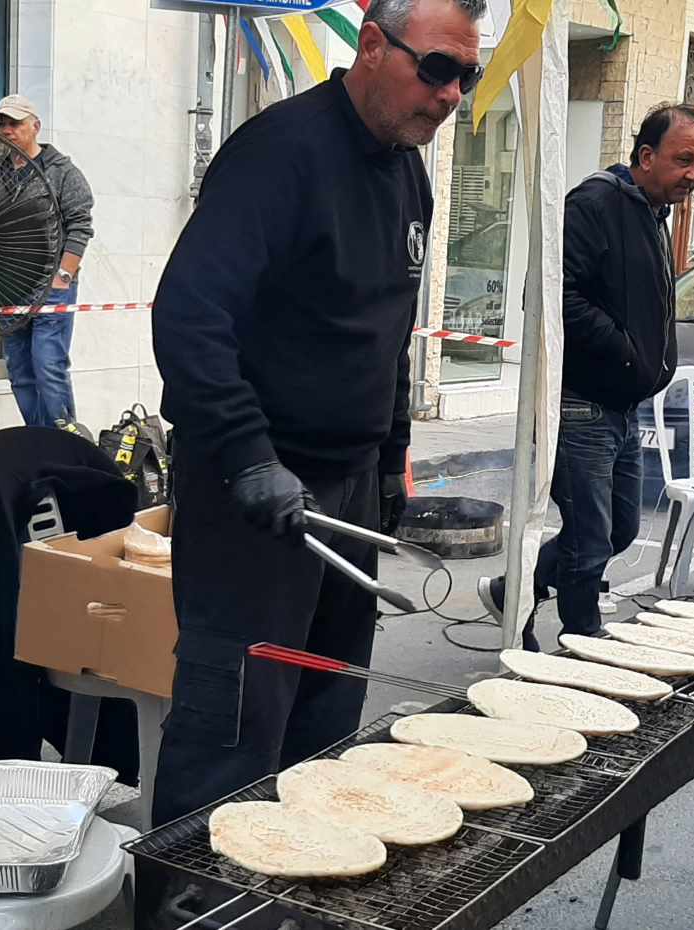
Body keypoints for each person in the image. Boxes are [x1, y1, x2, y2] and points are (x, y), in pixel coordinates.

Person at [142, 0, 481, 924]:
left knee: (327, 720)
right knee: (234, 726)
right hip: (253, 493)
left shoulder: (409, 173)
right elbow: (189, 316)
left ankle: (291, 904)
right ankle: (190, 911)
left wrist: (395, 458)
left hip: (349, 486)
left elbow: (390, 335)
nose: (450, 94)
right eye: (438, 69)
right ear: (373, 44)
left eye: (467, 77)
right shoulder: (278, 152)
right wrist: (249, 454)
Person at [478, 104, 694, 649]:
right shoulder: (595, 203)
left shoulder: (650, 212)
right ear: (646, 157)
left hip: (624, 406)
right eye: (683, 160)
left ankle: (514, 590)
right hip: (581, 403)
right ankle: (579, 641)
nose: (693, 175)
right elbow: (552, 297)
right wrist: (623, 349)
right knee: (590, 537)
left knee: (618, 528)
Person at [0, 94, 95, 429]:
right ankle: (39, 440)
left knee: (48, 366)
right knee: (20, 370)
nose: (8, 130)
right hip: (8, 288)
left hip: (51, 287)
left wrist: (63, 276)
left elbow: (80, 224)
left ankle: (65, 442)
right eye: (2, 124)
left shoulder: (63, 172)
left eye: (15, 124)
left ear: (35, 126)